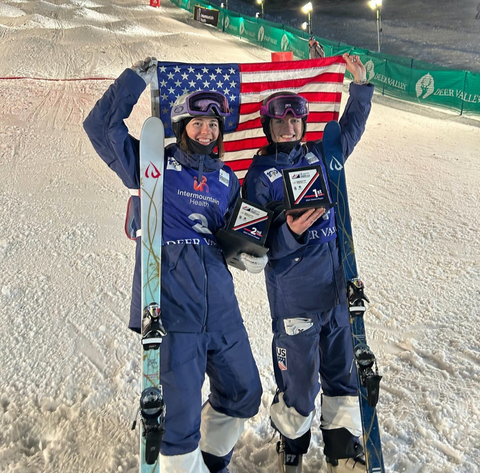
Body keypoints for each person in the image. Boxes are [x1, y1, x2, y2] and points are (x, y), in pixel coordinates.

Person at [83, 58, 267, 473]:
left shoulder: (228, 181)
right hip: (173, 303)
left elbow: (238, 234)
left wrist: (249, 253)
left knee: (244, 392)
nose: (206, 131)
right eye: (197, 123)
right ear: (182, 127)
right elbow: (99, 128)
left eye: (213, 124)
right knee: (178, 420)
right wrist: (132, 80)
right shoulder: (154, 165)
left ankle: (213, 459)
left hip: (220, 303)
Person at [242, 54, 374, 473]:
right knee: (300, 380)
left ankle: (340, 446)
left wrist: (361, 88)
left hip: (334, 291)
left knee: (340, 374)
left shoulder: (321, 156)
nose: (289, 127)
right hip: (294, 296)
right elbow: (252, 248)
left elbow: (349, 130)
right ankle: (293, 443)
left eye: (295, 120)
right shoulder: (259, 176)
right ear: (269, 127)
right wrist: (291, 232)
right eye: (280, 122)